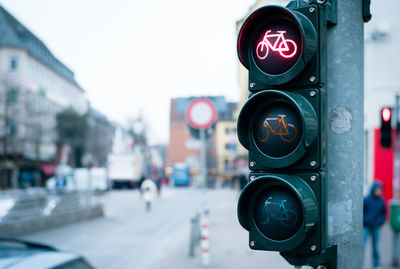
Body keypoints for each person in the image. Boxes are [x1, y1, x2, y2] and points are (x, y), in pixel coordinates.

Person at [363, 181, 387, 269]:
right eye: (377, 189)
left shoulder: (382, 201)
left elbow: (384, 213)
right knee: (362, 245)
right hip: (366, 226)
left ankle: (376, 265)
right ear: (373, 189)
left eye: (380, 190)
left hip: (376, 227)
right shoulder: (366, 199)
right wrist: (364, 220)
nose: (379, 191)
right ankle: (359, 263)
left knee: (375, 247)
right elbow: (361, 212)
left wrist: (381, 222)